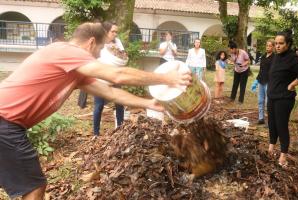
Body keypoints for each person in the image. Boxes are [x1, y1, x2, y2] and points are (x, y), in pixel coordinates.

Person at [0, 22, 191, 200]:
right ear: (91, 42)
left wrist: (148, 103)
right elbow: (118, 75)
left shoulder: (74, 71)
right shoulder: (67, 51)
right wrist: (168, 78)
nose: (99, 56)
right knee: (34, 187)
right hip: (5, 123)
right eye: (99, 50)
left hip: (7, 123)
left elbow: (110, 92)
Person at [267, 30, 298, 167]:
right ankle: (271, 148)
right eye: (276, 43)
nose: (277, 46)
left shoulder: (293, 58)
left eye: (281, 43)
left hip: (284, 99)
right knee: (272, 124)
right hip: (272, 96)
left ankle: (283, 156)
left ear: (288, 44)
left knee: (281, 126)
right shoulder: (275, 56)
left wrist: (292, 84)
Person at [93, 21, 125, 137]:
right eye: (113, 31)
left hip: (115, 76)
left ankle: (120, 130)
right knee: (99, 106)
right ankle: (96, 134)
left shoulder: (118, 42)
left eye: (116, 31)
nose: (115, 34)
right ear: (106, 32)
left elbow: (122, 56)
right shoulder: (99, 43)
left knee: (120, 103)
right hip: (101, 78)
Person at [251, 39, 275, 124]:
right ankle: (261, 118)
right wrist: (256, 81)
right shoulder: (264, 56)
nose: (268, 47)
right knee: (260, 100)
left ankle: (270, 120)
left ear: (273, 47)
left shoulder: (274, 58)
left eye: (270, 46)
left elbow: (273, 71)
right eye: (267, 45)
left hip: (269, 82)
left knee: (268, 102)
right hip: (261, 81)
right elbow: (261, 70)